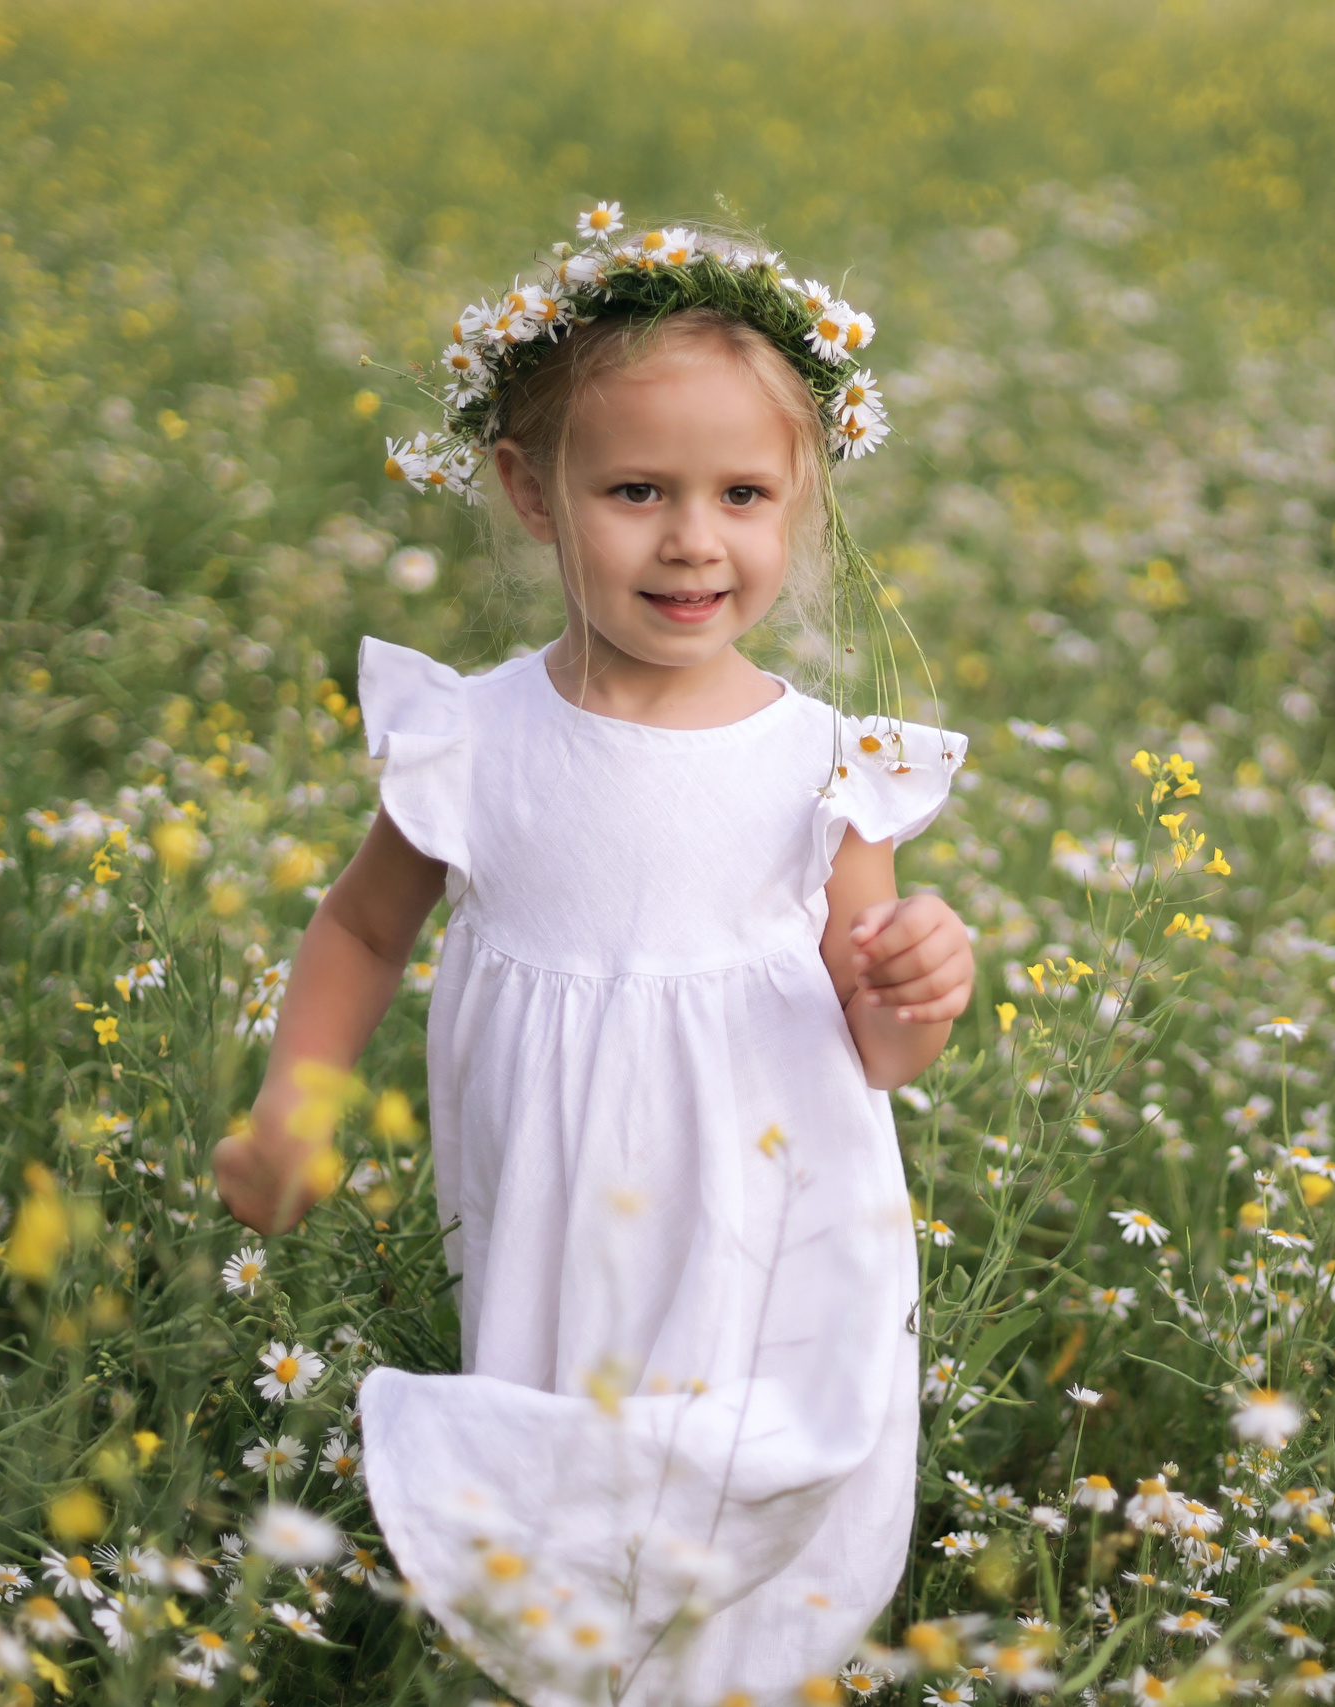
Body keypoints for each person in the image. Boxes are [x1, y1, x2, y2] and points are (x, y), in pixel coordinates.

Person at [209, 208, 972, 1707]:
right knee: (572, 1455)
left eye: (744, 492)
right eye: (637, 489)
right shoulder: (476, 737)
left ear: (801, 499)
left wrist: (916, 990)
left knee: (743, 1460)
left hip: (773, 1188)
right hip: (560, 1184)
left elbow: (873, 1043)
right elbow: (364, 925)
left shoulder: (828, 761)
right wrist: (291, 1111)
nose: (695, 538)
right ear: (532, 490)